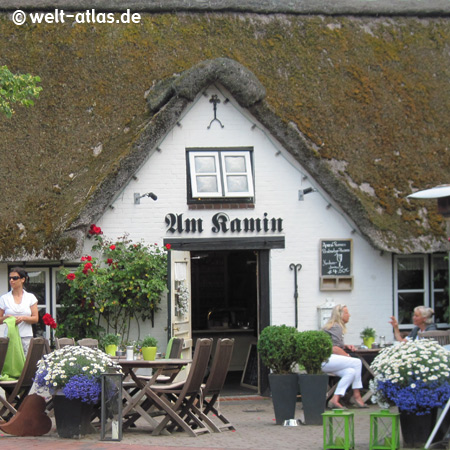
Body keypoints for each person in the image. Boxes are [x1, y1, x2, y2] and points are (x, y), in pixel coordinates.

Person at [321, 304, 368, 409]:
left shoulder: (335, 326)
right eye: (346, 313)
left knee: (350, 372)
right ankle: (357, 395)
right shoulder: (336, 327)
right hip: (325, 360)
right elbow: (334, 349)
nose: (349, 315)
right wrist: (348, 356)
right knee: (357, 362)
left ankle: (335, 399)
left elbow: (335, 345)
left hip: (328, 361)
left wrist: (345, 346)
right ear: (340, 315)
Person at [0, 267, 39, 355]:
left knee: (26, 364)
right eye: (10, 278)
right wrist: (7, 317)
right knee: (10, 363)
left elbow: (35, 318)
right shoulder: (4, 298)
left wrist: (23, 318)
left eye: (15, 278)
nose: (11, 280)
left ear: (22, 279)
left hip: (26, 337)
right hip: (10, 337)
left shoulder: (30, 297)